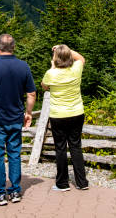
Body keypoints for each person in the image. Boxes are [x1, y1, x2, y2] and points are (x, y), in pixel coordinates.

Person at [0, 34, 36, 206]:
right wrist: (28, 112)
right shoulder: (23, 67)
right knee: (14, 154)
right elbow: (31, 94)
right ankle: (15, 191)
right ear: (14, 47)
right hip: (16, 118)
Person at [41, 44, 89, 191]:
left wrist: (52, 67)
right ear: (69, 57)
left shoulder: (51, 73)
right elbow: (80, 58)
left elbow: (44, 86)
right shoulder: (76, 70)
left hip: (58, 116)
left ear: (55, 59)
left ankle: (62, 183)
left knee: (60, 148)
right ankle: (81, 183)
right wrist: (66, 48)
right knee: (76, 146)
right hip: (76, 113)